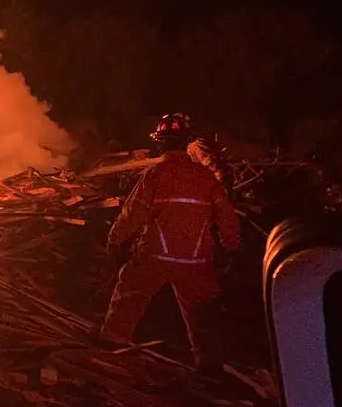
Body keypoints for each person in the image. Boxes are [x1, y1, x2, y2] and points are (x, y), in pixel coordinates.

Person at [99, 112, 240, 369]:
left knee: (128, 296)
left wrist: (115, 241)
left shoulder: (155, 175)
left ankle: (109, 350)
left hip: (156, 255)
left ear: (161, 142)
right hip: (196, 260)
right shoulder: (206, 178)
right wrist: (230, 248)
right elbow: (227, 217)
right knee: (202, 314)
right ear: (187, 141)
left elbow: (133, 214)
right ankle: (209, 366)